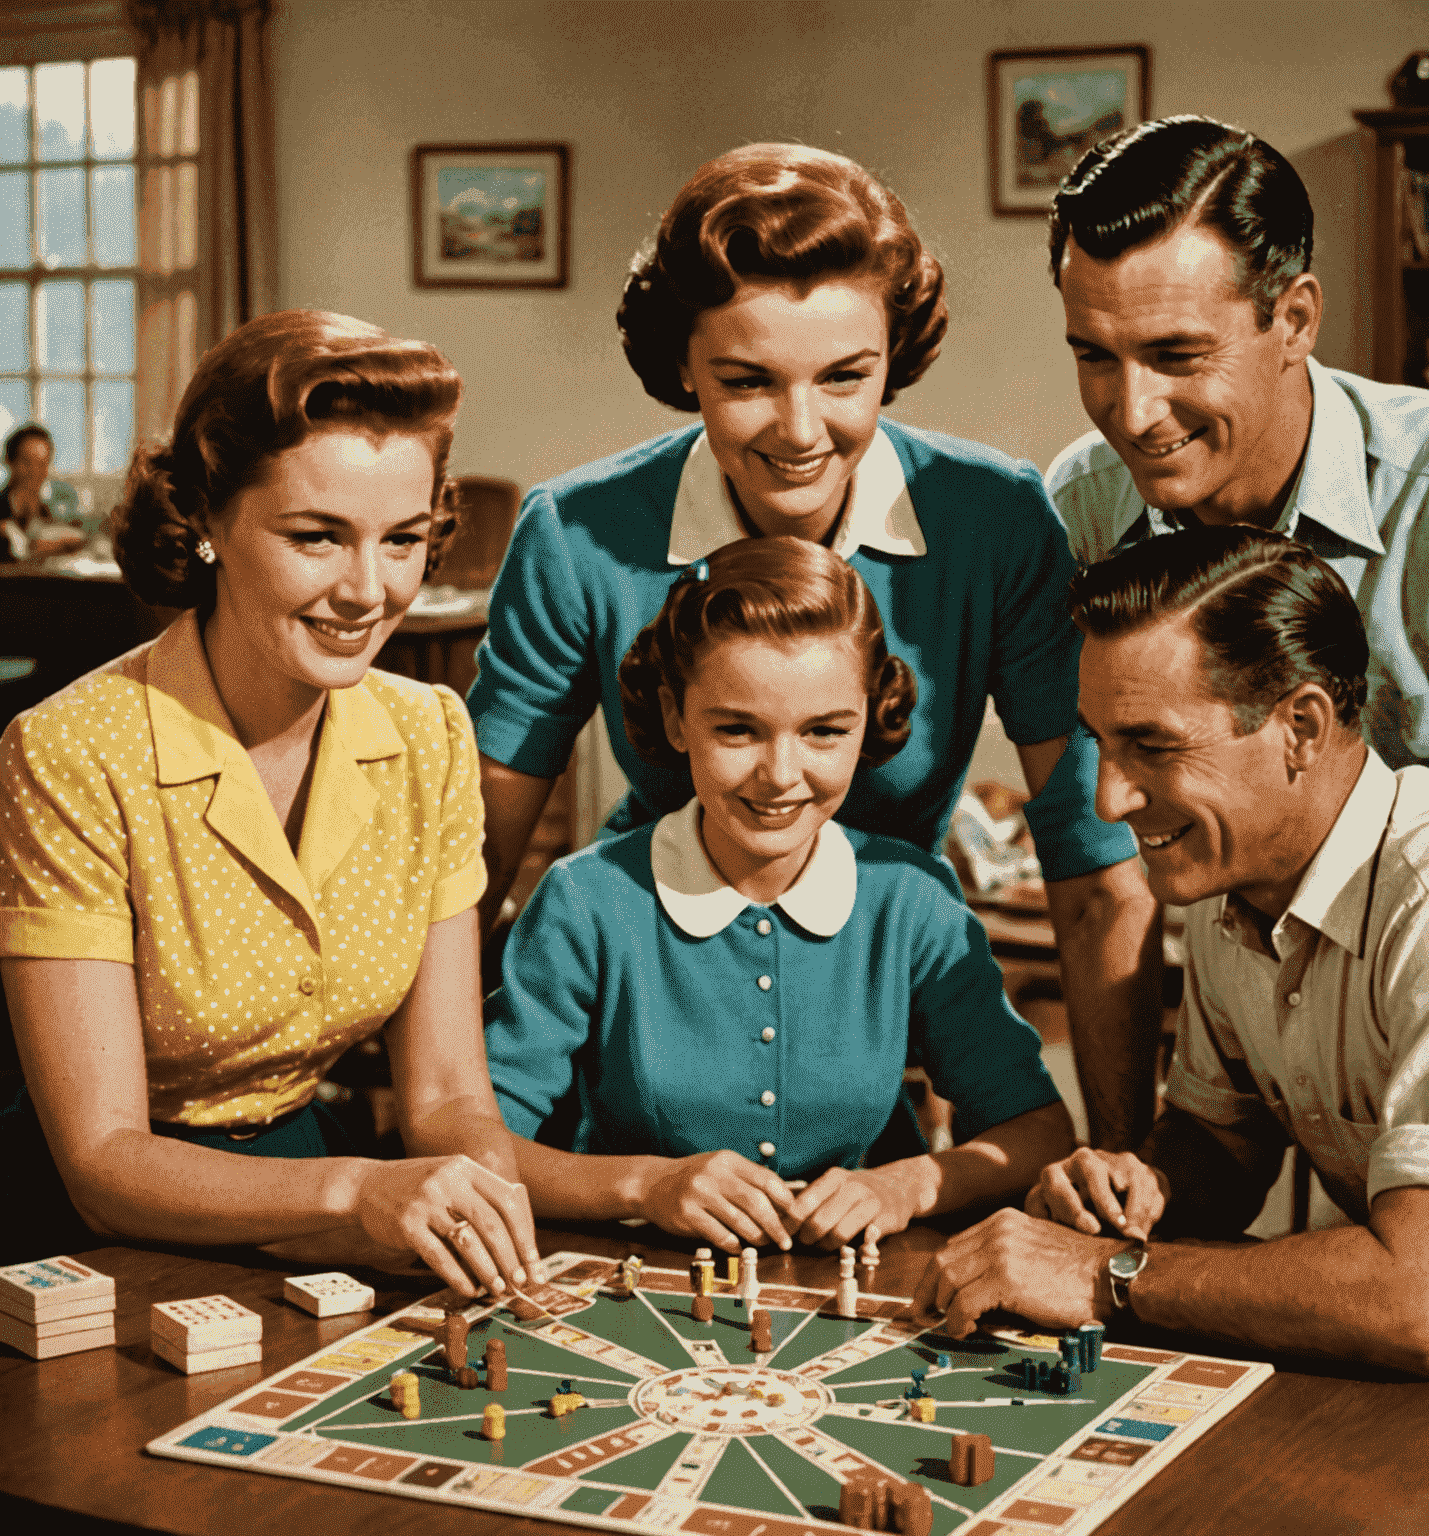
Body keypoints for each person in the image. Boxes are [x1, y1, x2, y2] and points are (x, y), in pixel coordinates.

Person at [470, 142, 1162, 1151]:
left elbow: (1095, 870)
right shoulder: (576, 532)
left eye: (846, 377)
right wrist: (447, 1137)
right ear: (682, 366)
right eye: (747, 380)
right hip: (641, 1030)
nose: (801, 430)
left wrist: (1115, 1163)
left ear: (896, 355)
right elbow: (469, 866)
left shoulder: (995, 520)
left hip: (871, 1011)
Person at [912, 527, 1429, 1378]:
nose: (1108, 797)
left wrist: (1104, 1273)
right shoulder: (1230, 870)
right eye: (1097, 743)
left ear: (1302, 727)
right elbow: (1221, 1142)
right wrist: (1135, 1191)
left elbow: (1419, 1307)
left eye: (1153, 746)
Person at [0, 310, 539, 1291]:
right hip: (83, 1237)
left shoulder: (432, 735)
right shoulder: (70, 750)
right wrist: (361, 1195)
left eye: (404, 540)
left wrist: (483, 1197)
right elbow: (102, 1162)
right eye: (316, 538)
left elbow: (450, 1093)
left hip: (316, 1194)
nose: (368, 589)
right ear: (205, 520)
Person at [485, 537, 1076, 1254]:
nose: (780, 774)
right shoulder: (588, 900)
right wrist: (646, 1185)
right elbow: (478, 1146)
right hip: (638, 1286)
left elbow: (1039, 1131)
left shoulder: (911, 900)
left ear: (869, 720)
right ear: (675, 719)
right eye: (737, 729)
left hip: (862, 1297)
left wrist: (910, 1184)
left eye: (825, 732)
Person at [1044, 115, 1429, 816]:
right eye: (1094, 354)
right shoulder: (1082, 505)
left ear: (1296, 321)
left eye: (1177, 355)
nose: (1132, 412)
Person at [1, 423, 85, 560]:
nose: (34, 472)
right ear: (9, 462)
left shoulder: (45, 511)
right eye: (27, 462)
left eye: (41, 464)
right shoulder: (3, 511)